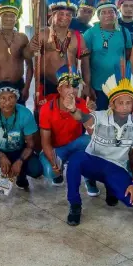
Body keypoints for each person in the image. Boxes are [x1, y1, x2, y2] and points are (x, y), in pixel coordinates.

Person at [63, 63, 133, 226]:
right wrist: (73, 110)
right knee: (75, 160)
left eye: (128, 103)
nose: (124, 107)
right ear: (112, 104)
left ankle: (111, 186)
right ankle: (75, 205)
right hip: (93, 161)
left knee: (132, 202)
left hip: (115, 167)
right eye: (120, 103)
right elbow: (83, 118)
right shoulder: (100, 116)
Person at [38, 65, 99, 196]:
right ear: (59, 89)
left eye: (75, 86)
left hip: (76, 144)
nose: (72, 91)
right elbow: (45, 142)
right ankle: (58, 172)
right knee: (50, 171)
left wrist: (90, 115)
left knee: (91, 143)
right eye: (68, 86)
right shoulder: (47, 109)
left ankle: (90, 179)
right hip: (57, 149)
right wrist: (54, 162)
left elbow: (93, 134)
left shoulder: (82, 103)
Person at [25, 0, 85, 105]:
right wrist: (31, 47)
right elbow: (26, 56)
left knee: (69, 120)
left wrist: (87, 86)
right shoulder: (43, 34)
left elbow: (85, 64)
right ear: (53, 15)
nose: (65, 17)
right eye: (61, 14)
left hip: (70, 87)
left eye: (68, 15)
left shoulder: (77, 37)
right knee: (45, 120)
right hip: (46, 86)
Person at [0, 87, 42, 193]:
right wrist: (1, 155)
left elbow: (30, 145)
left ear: (16, 99)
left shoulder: (25, 113)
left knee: (36, 170)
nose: (7, 102)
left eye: (11, 97)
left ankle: (21, 175)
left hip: (19, 151)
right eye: (2, 98)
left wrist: (20, 161)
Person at [82, 0, 133, 110]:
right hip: (98, 86)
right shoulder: (90, 33)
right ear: (98, 16)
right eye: (103, 12)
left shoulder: (124, 32)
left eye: (111, 11)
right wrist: (88, 85)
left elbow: (128, 56)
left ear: (116, 14)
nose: (108, 15)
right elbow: (85, 61)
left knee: (118, 117)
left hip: (120, 85)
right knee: (100, 120)